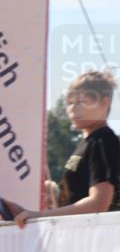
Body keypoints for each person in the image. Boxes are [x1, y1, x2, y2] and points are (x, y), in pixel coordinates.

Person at [6, 70, 119, 226]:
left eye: (81, 101)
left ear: (105, 103)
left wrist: (38, 216)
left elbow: (98, 204)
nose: (72, 109)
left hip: (95, 242)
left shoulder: (103, 140)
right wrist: (27, 214)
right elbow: (74, 199)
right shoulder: (88, 141)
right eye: (70, 103)